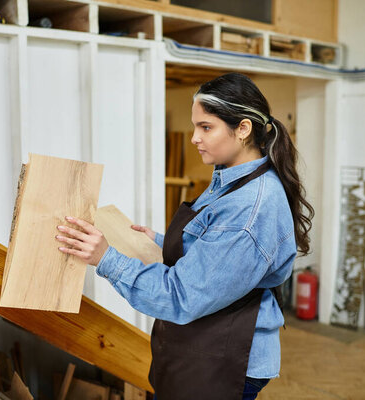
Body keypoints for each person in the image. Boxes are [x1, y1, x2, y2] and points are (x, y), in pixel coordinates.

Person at [55, 72, 314, 400]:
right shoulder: (231, 178)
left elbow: (183, 296)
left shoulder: (248, 208)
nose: (194, 138)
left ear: (243, 128)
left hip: (224, 358)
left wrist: (107, 259)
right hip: (206, 345)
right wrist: (162, 242)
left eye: (206, 127)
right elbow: (218, 255)